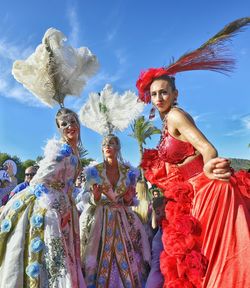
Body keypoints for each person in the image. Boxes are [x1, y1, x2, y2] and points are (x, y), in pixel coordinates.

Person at [136, 18, 250, 288]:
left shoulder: (175, 115)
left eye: (164, 92)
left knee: (219, 257)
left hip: (207, 191)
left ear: (175, 94)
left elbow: (208, 148)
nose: (159, 98)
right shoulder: (166, 122)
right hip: (192, 193)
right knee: (204, 259)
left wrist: (209, 168)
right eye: (154, 94)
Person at [0, 108, 86, 287]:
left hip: (66, 207)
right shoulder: (62, 151)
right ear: (59, 129)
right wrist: (57, 206)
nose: (69, 126)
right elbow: (39, 181)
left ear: (78, 123)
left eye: (72, 121)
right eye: (64, 124)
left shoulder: (75, 152)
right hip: (50, 207)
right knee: (49, 256)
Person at [79, 134, 151, 288]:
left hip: (124, 220)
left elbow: (131, 200)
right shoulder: (94, 171)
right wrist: (95, 197)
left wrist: (128, 199)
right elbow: (85, 196)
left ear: (118, 148)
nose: (107, 146)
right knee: (96, 258)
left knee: (129, 255)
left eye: (111, 143)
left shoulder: (128, 172)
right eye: (104, 144)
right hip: (100, 221)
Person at [146, 196, 166, 288]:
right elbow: (156, 269)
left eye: (165, 210)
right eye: (158, 212)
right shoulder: (158, 239)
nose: (162, 214)